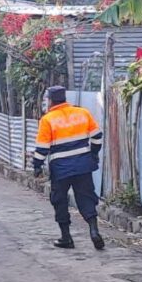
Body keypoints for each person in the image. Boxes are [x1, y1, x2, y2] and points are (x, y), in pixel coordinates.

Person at [33, 86, 104, 250]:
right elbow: (97, 136)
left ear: (50, 100)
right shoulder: (82, 113)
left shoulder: (48, 119)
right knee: (86, 198)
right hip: (83, 165)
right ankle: (94, 230)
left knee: (60, 201)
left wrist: (37, 166)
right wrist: (93, 154)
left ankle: (66, 238)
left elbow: (42, 148)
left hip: (61, 168)